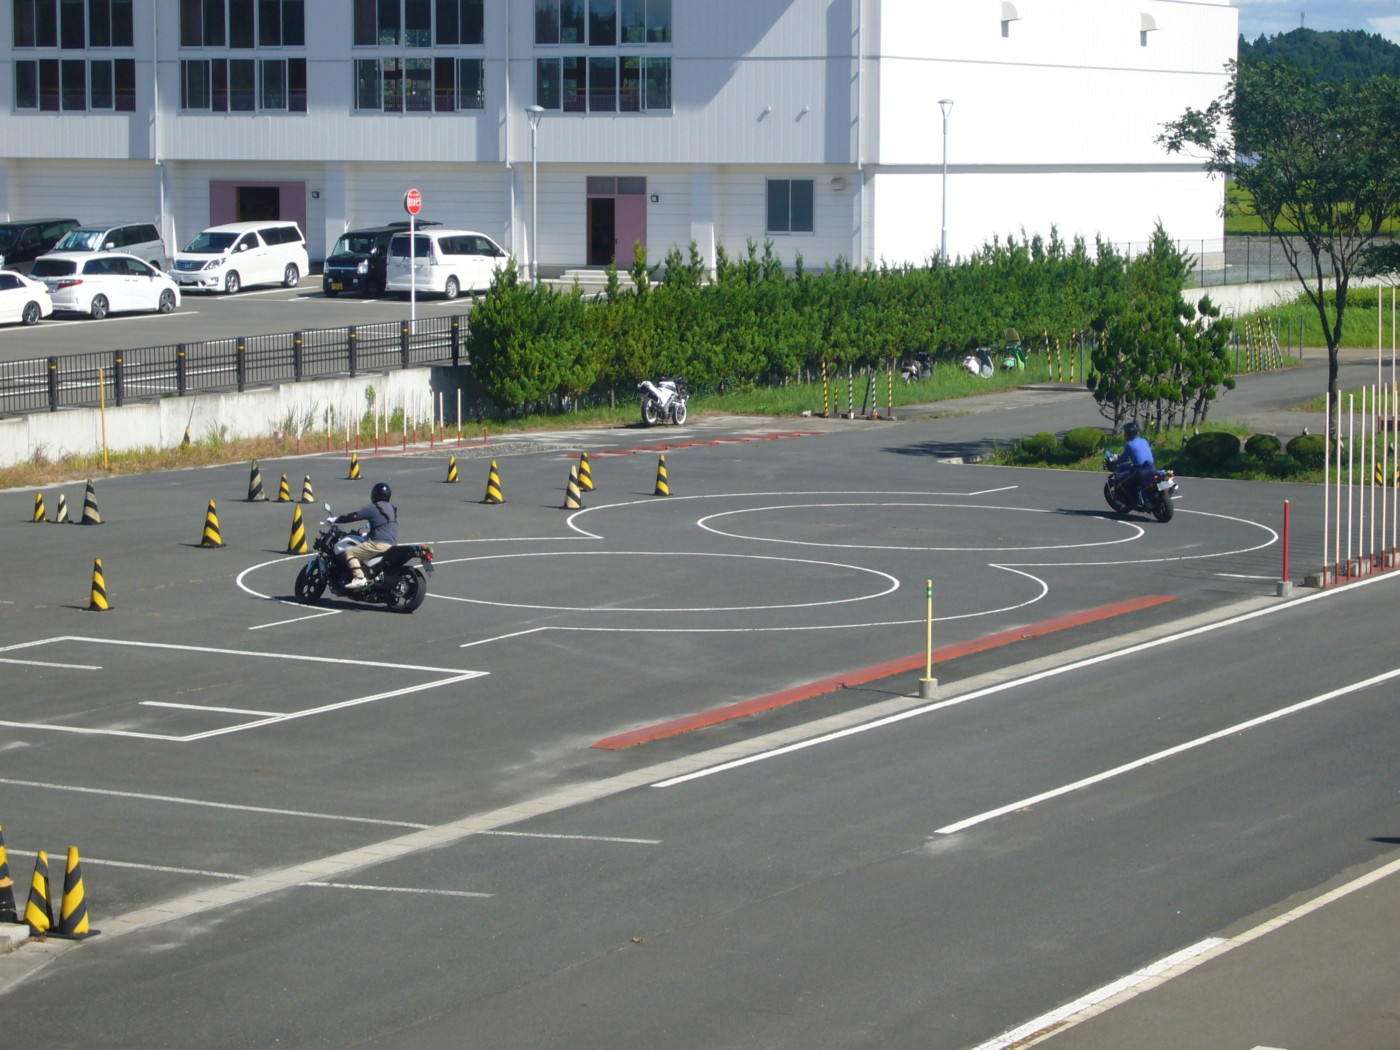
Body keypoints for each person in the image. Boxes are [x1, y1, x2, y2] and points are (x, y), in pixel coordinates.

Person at [328, 481, 399, 590]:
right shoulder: (392, 509)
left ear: (374, 494)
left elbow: (354, 516)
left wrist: (335, 519)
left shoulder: (374, 507)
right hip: (392, 546)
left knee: (350, 553)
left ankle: (359, 577)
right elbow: (382, 526)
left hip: (378, 544)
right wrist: (368, 534)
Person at [1113, 421, 1156, 505]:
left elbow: (1123, 459)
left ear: (1128, 434)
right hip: (1152, 468)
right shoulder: (1144, 441)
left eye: (1125, 433)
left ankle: (1135, 503)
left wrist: (1115, 461)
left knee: (1124, 482)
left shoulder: (1130, 445)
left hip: (1141, 471)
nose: (1124, 435)